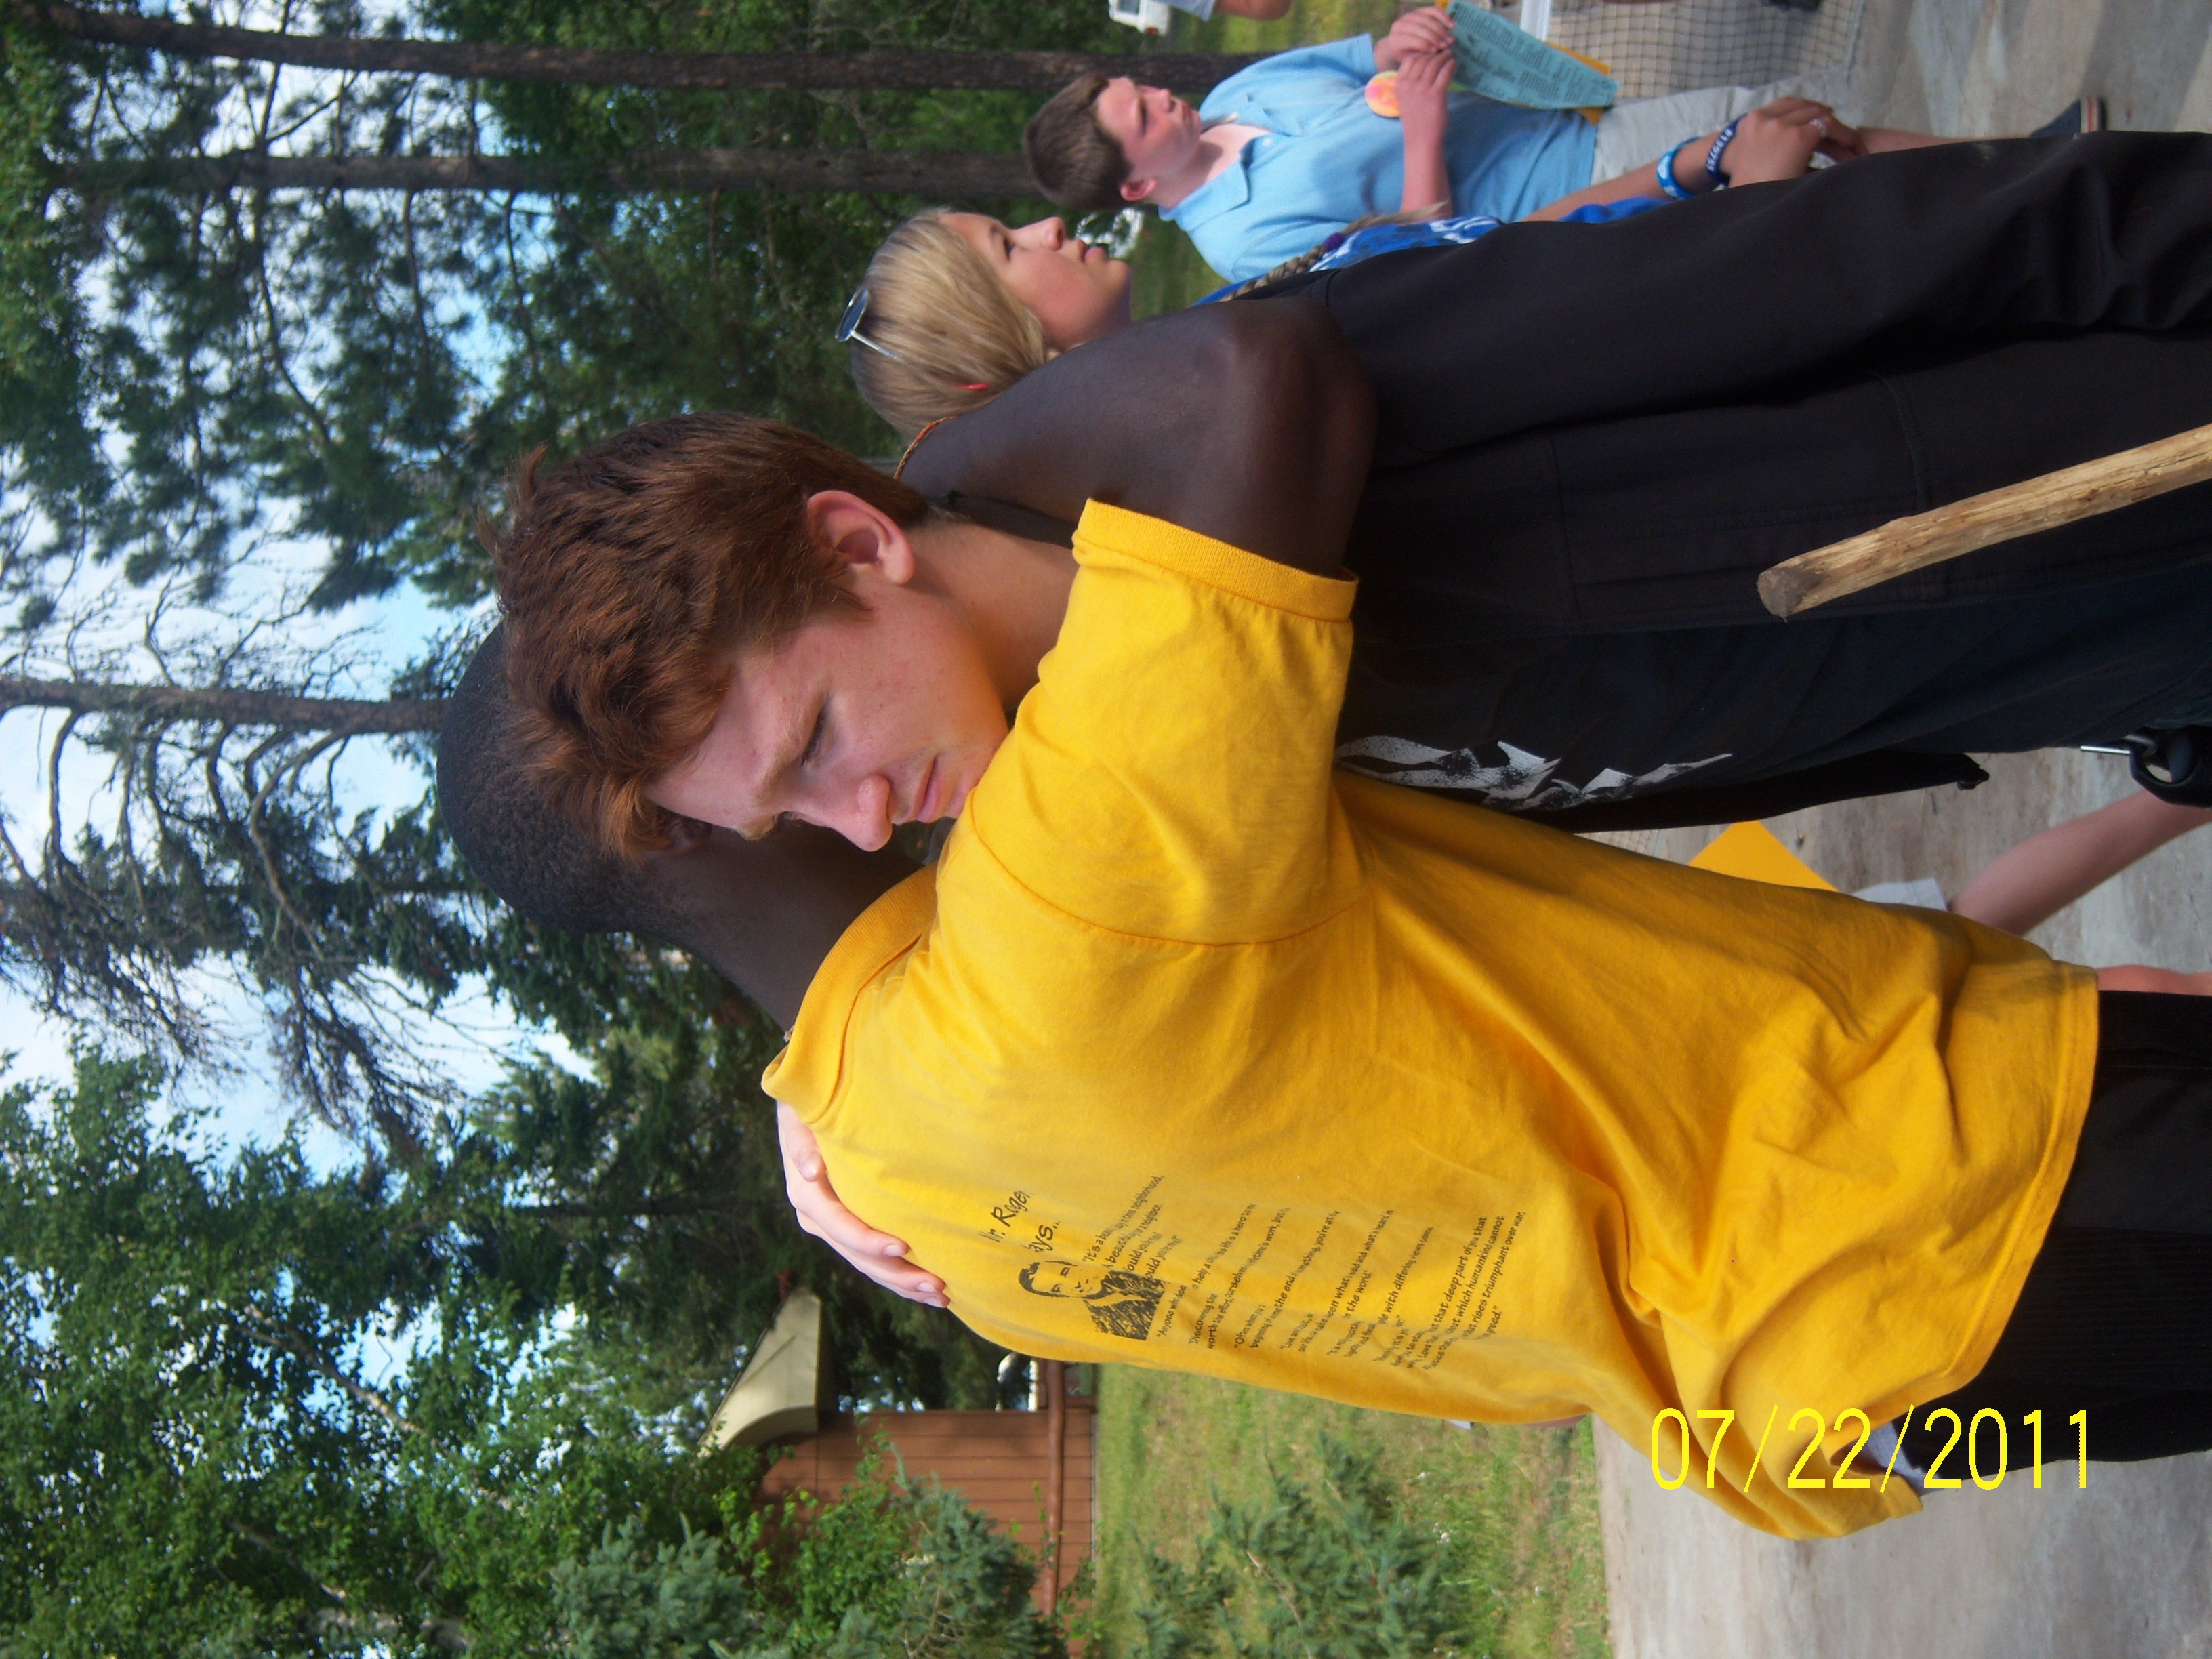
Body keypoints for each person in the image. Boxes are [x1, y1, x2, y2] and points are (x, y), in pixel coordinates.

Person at [471, 298, 2212, 1538]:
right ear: (681, 831)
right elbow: (1246, 390)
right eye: (793, 781)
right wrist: (941, 475)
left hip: (1835, 1418)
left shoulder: (933, 1233)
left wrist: (796, 1092)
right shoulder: (1059, 878)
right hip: (1928, 1199)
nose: (868, 809)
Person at [837, 136, 2212, 838]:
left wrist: (2158, 232)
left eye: (815, 743)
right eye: (1006, 246)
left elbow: (1801, 267)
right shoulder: (1145, 750)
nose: (853, 813)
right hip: (2094, 657)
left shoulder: (1275, 382)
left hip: (2112, 463)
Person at [1021, 10, 1951, 282]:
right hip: (1576, 206)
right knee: (1793, 184)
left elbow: (1371, 55)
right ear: (1136, 186)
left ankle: (2001, 159)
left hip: (1569, 121)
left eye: (1141, 88)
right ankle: (1975, 208)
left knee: (1804, 125)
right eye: (1144, 117)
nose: (1163, 97)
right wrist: (1425, 128)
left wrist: (1412, 38)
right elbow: (1423, 261)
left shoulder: (1235, 94)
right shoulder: (1241, 244)